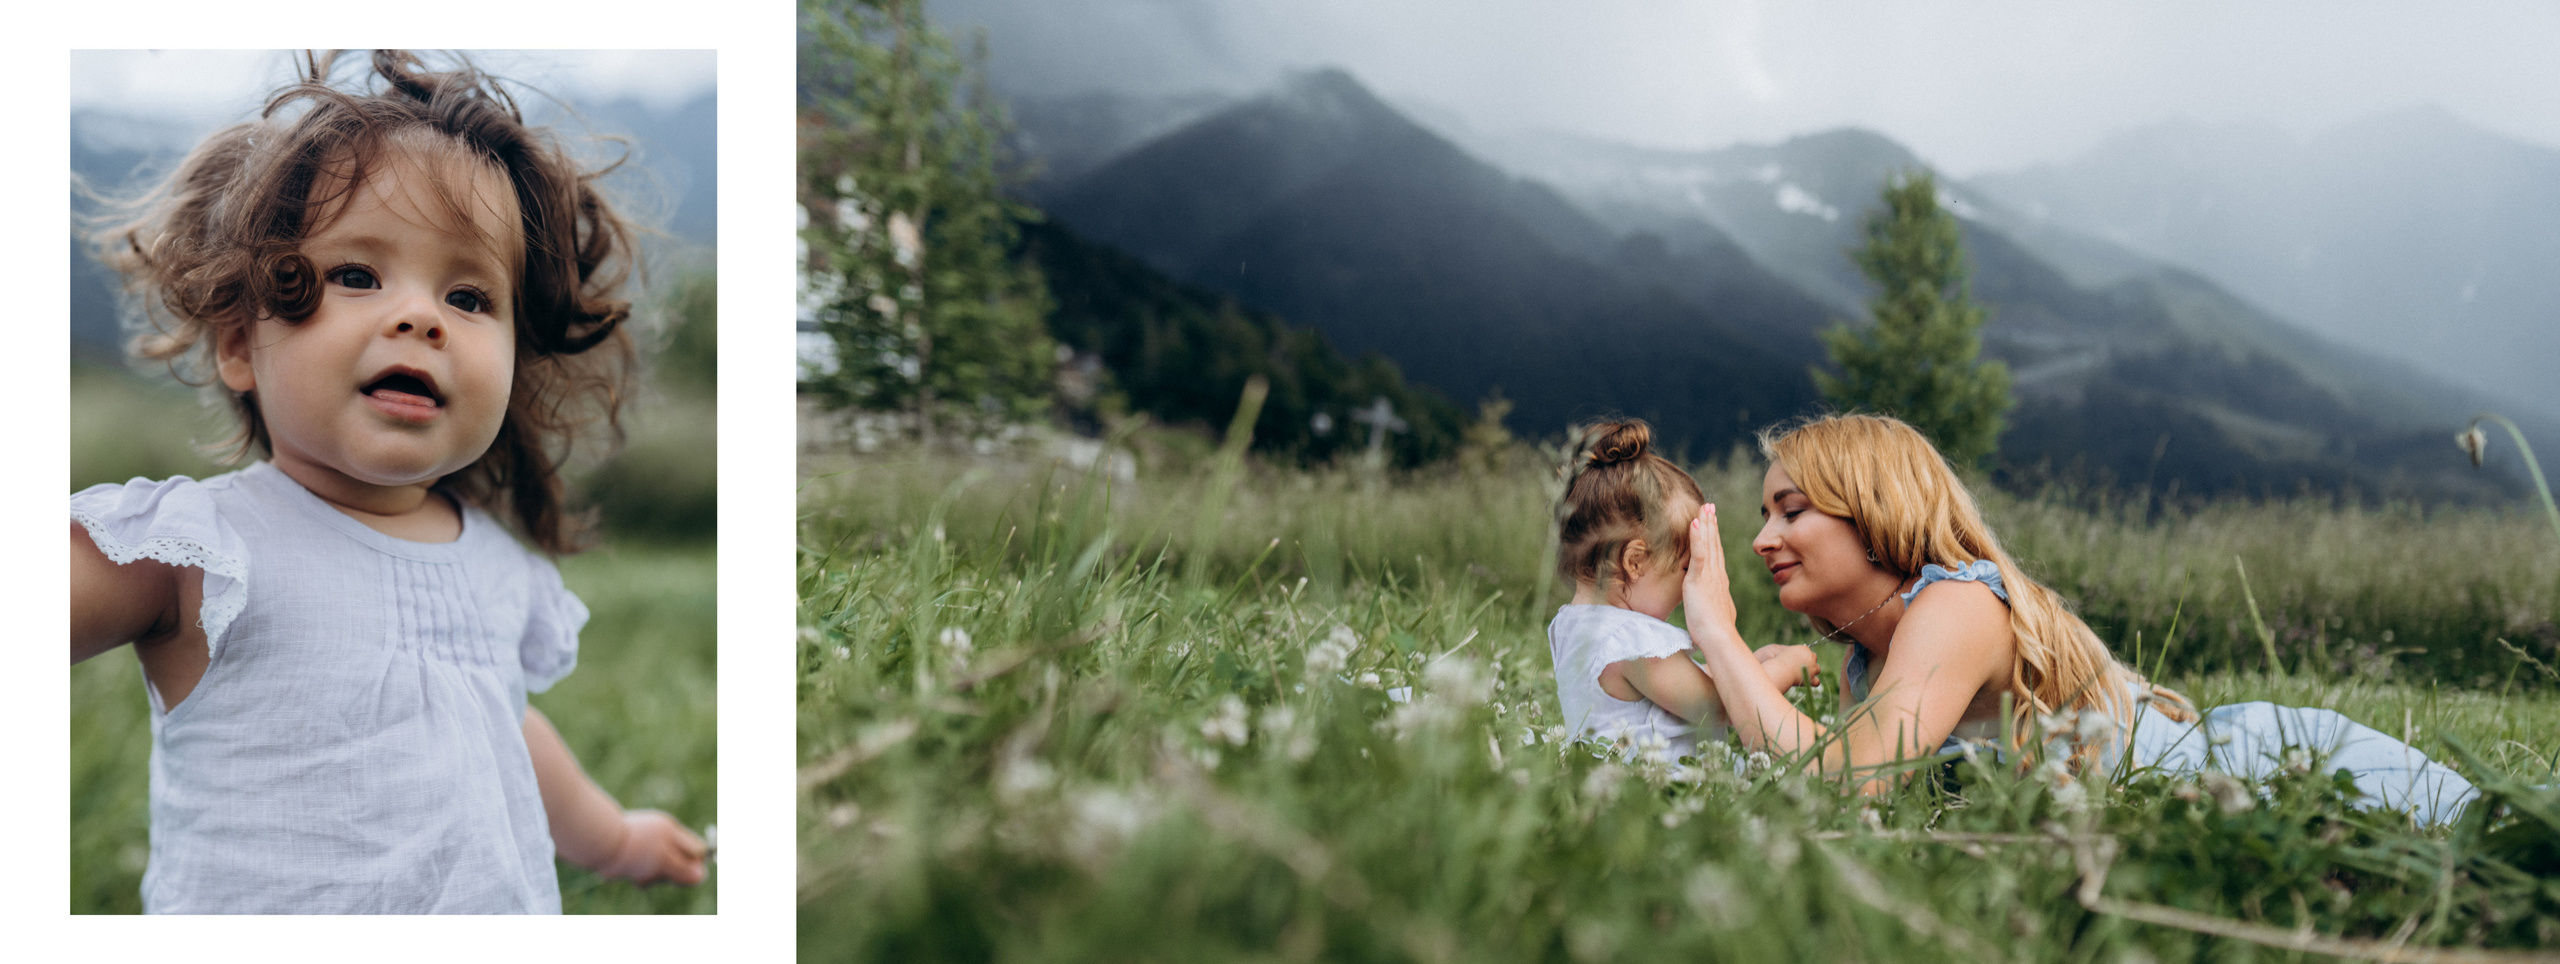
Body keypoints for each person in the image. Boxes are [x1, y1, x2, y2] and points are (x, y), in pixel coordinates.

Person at [70, 50, 707, 913]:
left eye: (470, 298)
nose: (420, 317)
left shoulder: (496, 569)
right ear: (240, 343)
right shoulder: (203, 551)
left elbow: (500, 724)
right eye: (357, 276)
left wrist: (616, 837)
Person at [1676, 414, 2475, 823]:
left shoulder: (1957, 605)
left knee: (2501, 834)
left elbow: (1850, 783)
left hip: (2271, 775)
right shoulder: (1868, 663)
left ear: (1873, 508)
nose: (1763, 539)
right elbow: (1852, 788)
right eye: (1765, 515)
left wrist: (1718, 634)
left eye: (1791, 511)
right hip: (2218, 791)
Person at [1545, 420, 1821, 761]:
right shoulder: (1629, 640)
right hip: (1663, 783)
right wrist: (1787, 668)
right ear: (1634, 562)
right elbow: (1718, 705)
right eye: (1688, 568)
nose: (1692, 585)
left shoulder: (1573, 627)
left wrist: (1749, 665)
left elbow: (1677, 689)